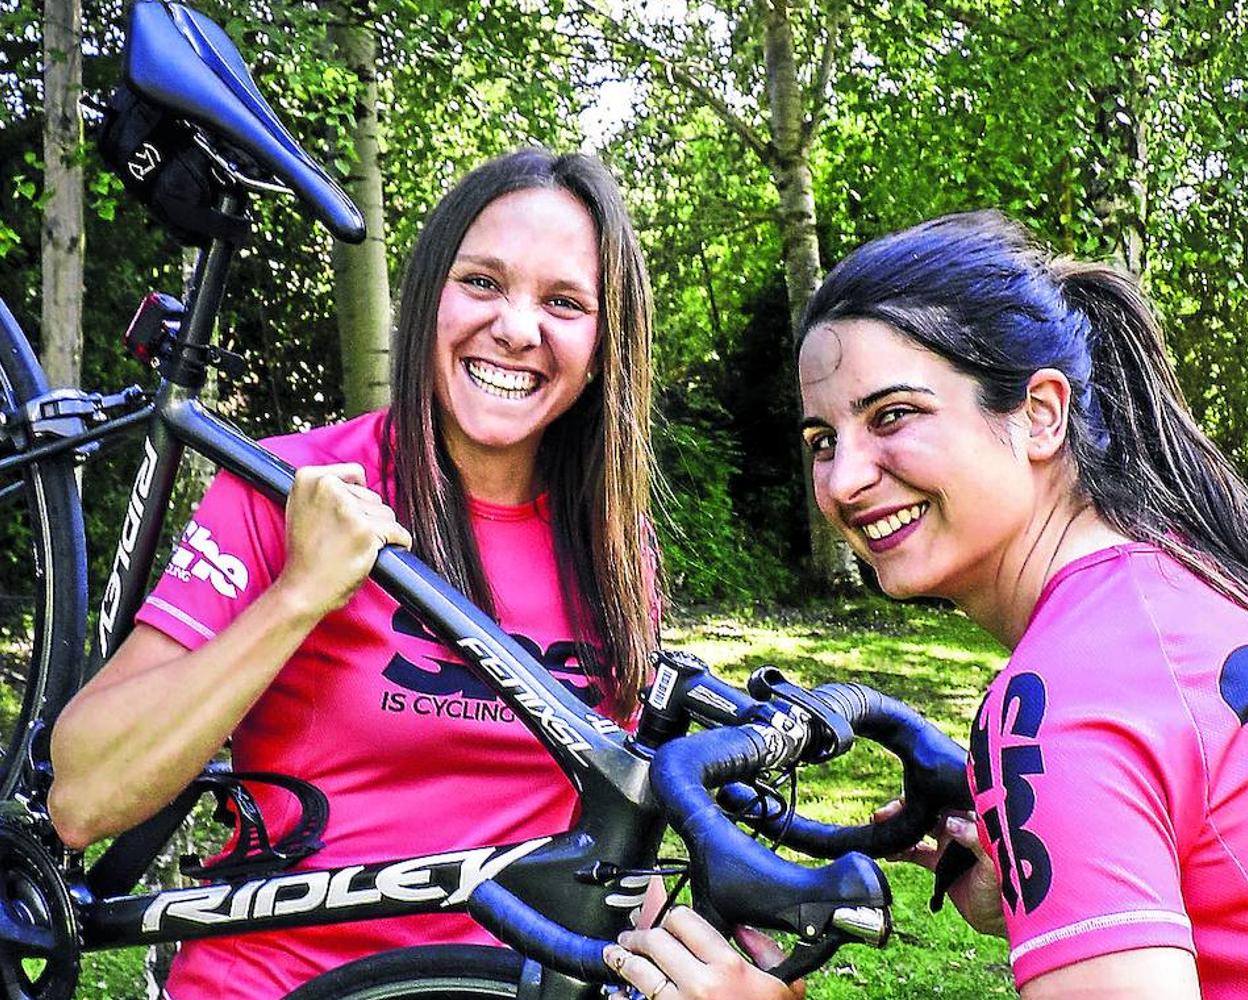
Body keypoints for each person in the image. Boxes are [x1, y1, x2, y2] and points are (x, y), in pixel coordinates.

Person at [48, 148, 660, 998]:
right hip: (277, 980)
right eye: (482, 282)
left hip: (500, 986)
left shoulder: (613, 542)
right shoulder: (291, 487)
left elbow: (605, 810)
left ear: (602, 345)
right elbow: (83, 795)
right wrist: (299, 596)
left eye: (563, 302)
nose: (518, 328)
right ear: (426, 299)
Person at [606, 210, 1248, 1000]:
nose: (842, 483)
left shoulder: (1062, 703)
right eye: (823, 440)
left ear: (1039, 414)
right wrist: (1045, 892)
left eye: (894, 415)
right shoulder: (1191, 578)